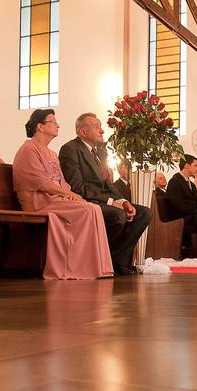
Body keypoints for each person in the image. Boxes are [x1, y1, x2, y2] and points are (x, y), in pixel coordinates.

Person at [12, 109, 113, 279]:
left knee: (93, 208)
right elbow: (41, 182)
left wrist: (69, 193)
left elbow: (62, 182)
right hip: (38, 201)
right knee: (88, 209)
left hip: (54, 198)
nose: (58, 125)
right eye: (53, 122)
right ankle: (77, 267)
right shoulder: (28, 149)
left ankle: (96, 266)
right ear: (40, 126)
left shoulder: (51, 153)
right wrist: (70, 195)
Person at [58, 113, 153, 275]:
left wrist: (123, 201)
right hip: (86, 201)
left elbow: (108, 184)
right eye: (96, 126)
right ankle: (103, 260)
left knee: (144, 213)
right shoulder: (70, 149)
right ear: (83, 132)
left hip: (105, 201)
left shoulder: (100, 152)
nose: (102, 130)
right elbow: (77, 187)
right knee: (118, 216)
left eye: (100, 126)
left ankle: (116, 260)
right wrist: (111, 202)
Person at [166, 154, 197, 253]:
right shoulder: (174, 181)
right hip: (182, 217)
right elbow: (178, 205)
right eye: (195, 165)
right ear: (187, 166)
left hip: (192, 215)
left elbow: (196, 202)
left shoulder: (191, 184)